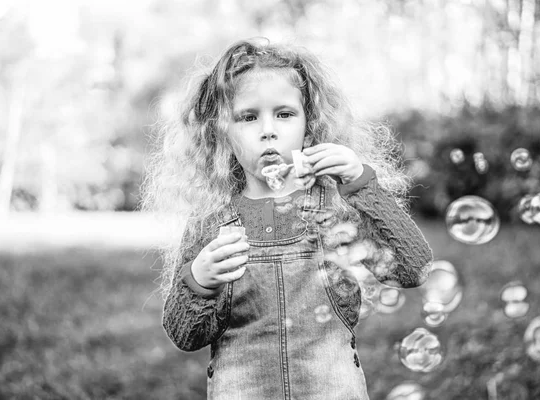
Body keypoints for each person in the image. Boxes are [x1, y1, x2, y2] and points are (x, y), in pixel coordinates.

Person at [143, 38, 433, 400]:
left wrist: (360, 183)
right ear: (222, 134)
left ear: (308, 125)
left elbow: (412, 268)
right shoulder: (210, 224)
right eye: (248, 117)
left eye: (284, 114)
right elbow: (185, 334)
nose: (268, 129)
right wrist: (199, 280)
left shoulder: (337, 205)